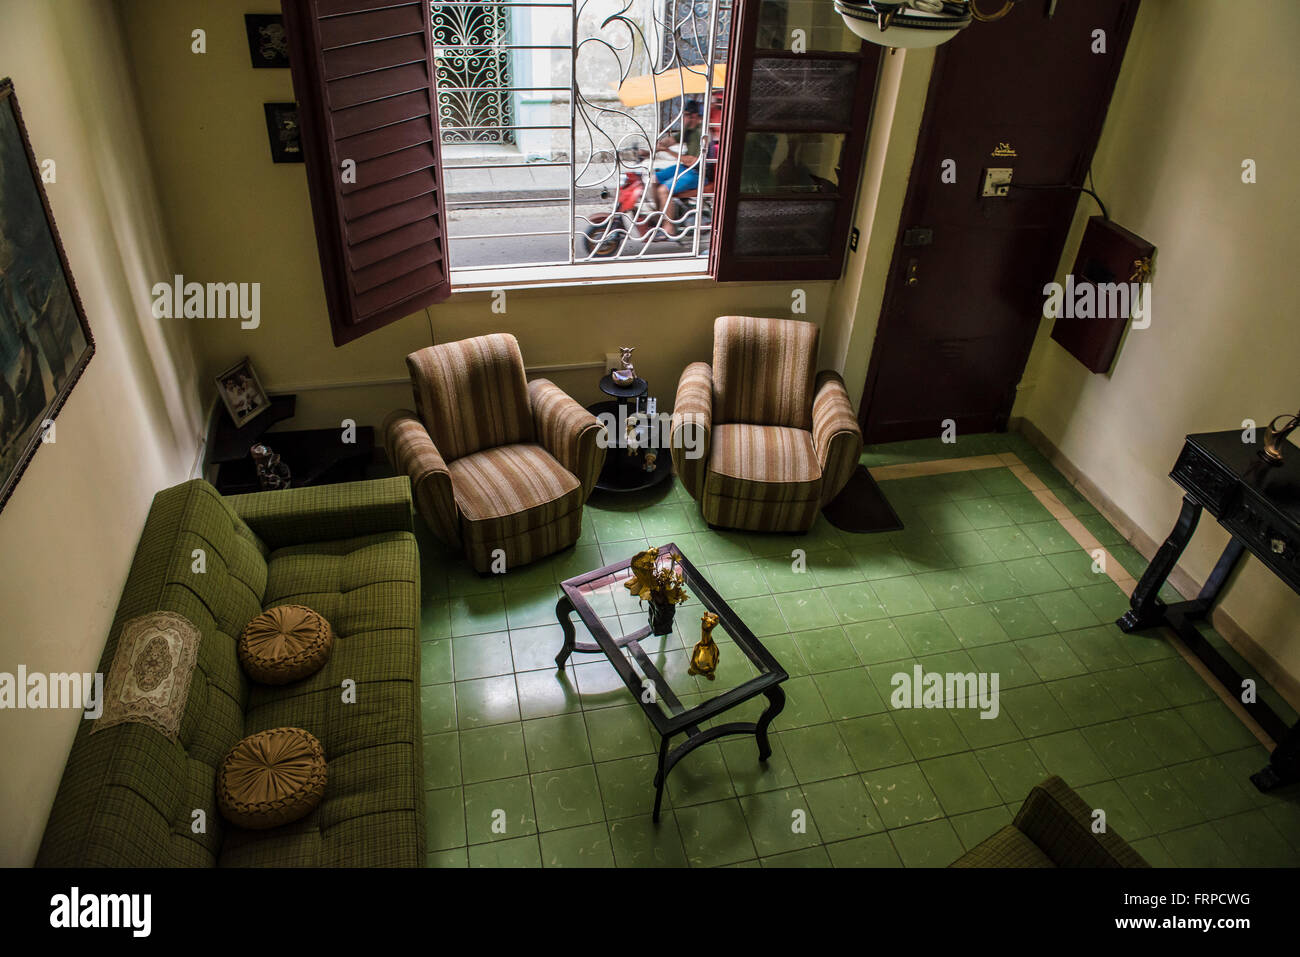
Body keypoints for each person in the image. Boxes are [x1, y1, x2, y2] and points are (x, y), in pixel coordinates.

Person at [649, 100, 704, 239]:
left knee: (663, 190)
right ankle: (661, 215)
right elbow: (673, 140)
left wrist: (667, 151)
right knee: (655, 179)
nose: (683, 118)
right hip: (685, 168)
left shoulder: (700, 132)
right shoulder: (689, 129)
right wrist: (659, 144)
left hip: (697, 173)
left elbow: (692, 160)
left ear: (694, 116)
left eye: (685, 115)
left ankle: (669, 227)